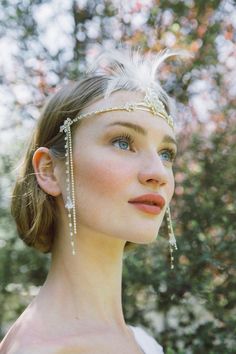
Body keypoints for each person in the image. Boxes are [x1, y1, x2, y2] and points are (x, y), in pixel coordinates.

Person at [0, 48, 179, 354]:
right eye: (123, 142)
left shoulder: (142, 342)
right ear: (50, 171)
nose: (158, 173)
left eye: (166, 154)